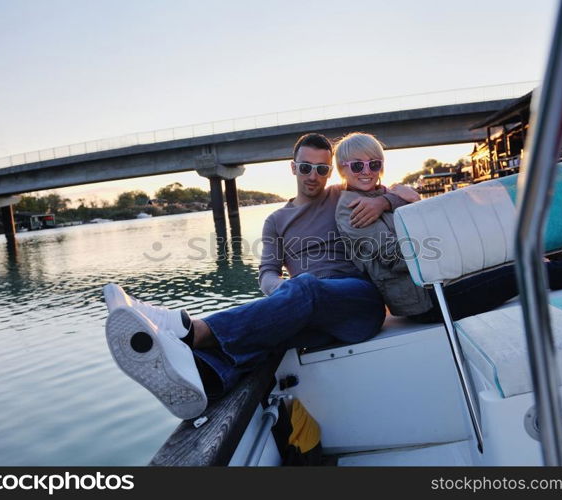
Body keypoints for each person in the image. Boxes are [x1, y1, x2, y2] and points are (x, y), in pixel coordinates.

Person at [103, 133, 409, 420]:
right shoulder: (275, 221)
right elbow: (266, 274)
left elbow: (409, 193)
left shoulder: (343, 195)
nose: (313, 175)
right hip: (310, 315)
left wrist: (383, 201)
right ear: (293, 168)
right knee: (270, 335)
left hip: (358, 304)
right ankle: (201, 381)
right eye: (305, 167)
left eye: (321, 169)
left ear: (331, 172)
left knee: (306, 289)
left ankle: (190, 330)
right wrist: (283, 291)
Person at [333, 132, 562, 323]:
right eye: (357, 165)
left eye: (374, 163)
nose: (366, 171)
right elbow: (394, 258)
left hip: (446, 279)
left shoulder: (389, 194)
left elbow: (430, 223)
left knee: (534, 251)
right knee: (526, 271)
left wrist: (398, 199)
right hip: (427, 300)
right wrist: (466, 246)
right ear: (342, 169)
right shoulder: (350, 208)